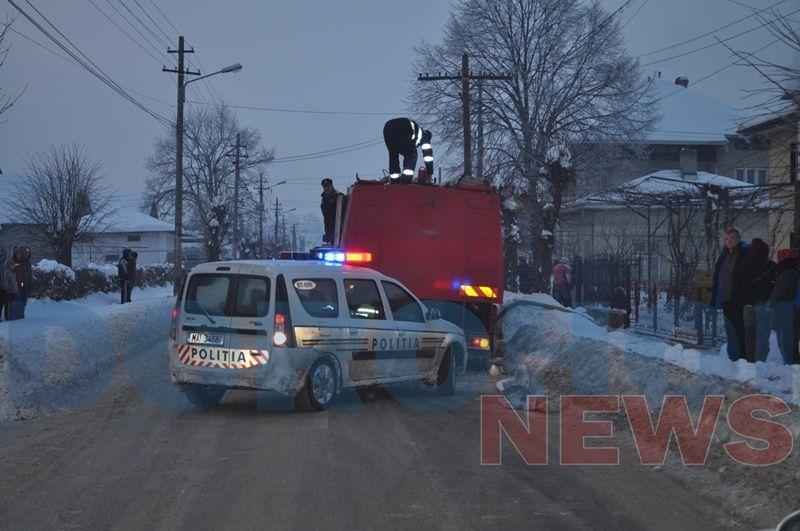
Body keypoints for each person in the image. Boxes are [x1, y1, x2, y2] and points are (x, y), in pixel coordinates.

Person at [711, 228, 749, 361]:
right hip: (726, 299)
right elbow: (718, 276)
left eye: (732, 238)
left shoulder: (744, 254)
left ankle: (742, 357)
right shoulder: (724, 255)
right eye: (726, 239)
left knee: (740, 329)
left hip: (738, 300)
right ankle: (733, 357)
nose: (729, 241)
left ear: (738, 239)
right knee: (730, 330)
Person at [742, 238, 774, 362]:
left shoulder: (744, 265)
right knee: (763, 336)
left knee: (750, 336)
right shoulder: (771, 265)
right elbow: (774, 285)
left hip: (748, 304)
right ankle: (761, 361)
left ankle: (751, 362)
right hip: (765, 304)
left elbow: (738, 284)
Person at [767, 248, 800, 365]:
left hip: (786, 311)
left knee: (786, 342)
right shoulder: (795, 271)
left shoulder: (786, 273)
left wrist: (769, 304)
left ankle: (792, 367)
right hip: (793, 310)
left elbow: (778, 292)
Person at [382, 117, 433, 183]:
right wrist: (429, 173)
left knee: (393, 154)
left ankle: (395, 180)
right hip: (402, 127)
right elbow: (428, 157)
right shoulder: (425, 136)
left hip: (387, 127)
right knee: (411, 154)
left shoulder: (416, 131)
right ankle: (406, 180)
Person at [320, 178, 344, 245]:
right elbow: (325, 215)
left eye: (328, 186)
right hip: (329, 229)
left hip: (339, 229)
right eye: (325, 187)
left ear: (332, 186)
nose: (326, 188)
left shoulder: (339, 196)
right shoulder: (324, 199)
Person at [18, 246, 32, 318]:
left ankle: (21, 313)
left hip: (26, 284)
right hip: (20, 283)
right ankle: (18, 314)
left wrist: (30, 284)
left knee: (24, 300)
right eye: (26, 252)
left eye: (28, 252)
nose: (27, 253)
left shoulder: (29, 263)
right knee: (19, 299)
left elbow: (30, 274)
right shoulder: (19, 261)